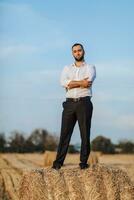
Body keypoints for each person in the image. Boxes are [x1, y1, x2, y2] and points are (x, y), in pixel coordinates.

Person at [52, 43, 96, 170]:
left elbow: (87, 83)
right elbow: (63, 83)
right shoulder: (67, 68)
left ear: (84, 52)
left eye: (79, 50)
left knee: (84, 134)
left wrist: (72, 83)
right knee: (64, 134)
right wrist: (80, 83)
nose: (77, 53)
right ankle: (57, 164)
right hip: (69, 103)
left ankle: (83, 163)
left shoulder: (90, 67)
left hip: (84, 103)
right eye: (75, 51)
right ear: (72, 53)